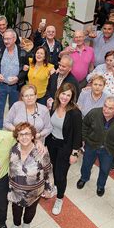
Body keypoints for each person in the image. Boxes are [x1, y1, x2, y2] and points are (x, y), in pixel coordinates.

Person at [77, 97, 114, 196]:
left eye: (110, 108)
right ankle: (84, 178)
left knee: (105, 169)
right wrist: (84, 139)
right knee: (86, 164)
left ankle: (100, 186)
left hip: (109, 149)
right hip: (91, 145)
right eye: (105, 106)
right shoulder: (94, 113)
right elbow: (84, 125)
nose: (106, 110)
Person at [8, 122, 53, 228]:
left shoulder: (41, 152)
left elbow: (48, 171)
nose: (24, 137)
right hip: (16, 191)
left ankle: (27, 223)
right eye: (21, 134)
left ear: (33, 136)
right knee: (16, 210)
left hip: (34, 192)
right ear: (17, 137)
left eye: (27, 134)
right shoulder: (13, 149)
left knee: (31, 210)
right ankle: (16, 224)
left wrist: (48, 189)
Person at [45, 83, 82, 215]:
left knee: (61, 175)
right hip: (51, 144)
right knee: (54, 168)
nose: (65, 97)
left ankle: (60, 198)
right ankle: (55, 188)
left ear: (72, 97)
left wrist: (74, 153)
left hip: (65, 147)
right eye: (63, 93)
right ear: (58, 93)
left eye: (68, 95)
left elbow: (78, 134)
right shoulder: (54, 106)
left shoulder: (75, 113)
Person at [0, 29, 28, 129]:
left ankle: (13, 129)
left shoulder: (23, 53)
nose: (6, 41)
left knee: (14, 108)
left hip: (16, 87)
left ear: (14, 39)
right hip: (2, 85)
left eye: (8, 39)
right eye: (4, 38)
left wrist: (18, 78)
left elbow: (26, 69)